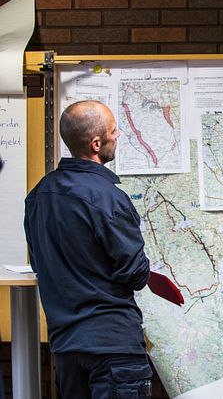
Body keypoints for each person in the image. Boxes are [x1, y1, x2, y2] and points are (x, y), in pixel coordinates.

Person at [24, 100, 152, 398]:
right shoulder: (108, 198)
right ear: (96, 144)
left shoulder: (38, 196)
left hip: (66, 348)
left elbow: (39, 262)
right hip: (113, 348)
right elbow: (135, 274)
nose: (118, 135)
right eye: (113, 131)